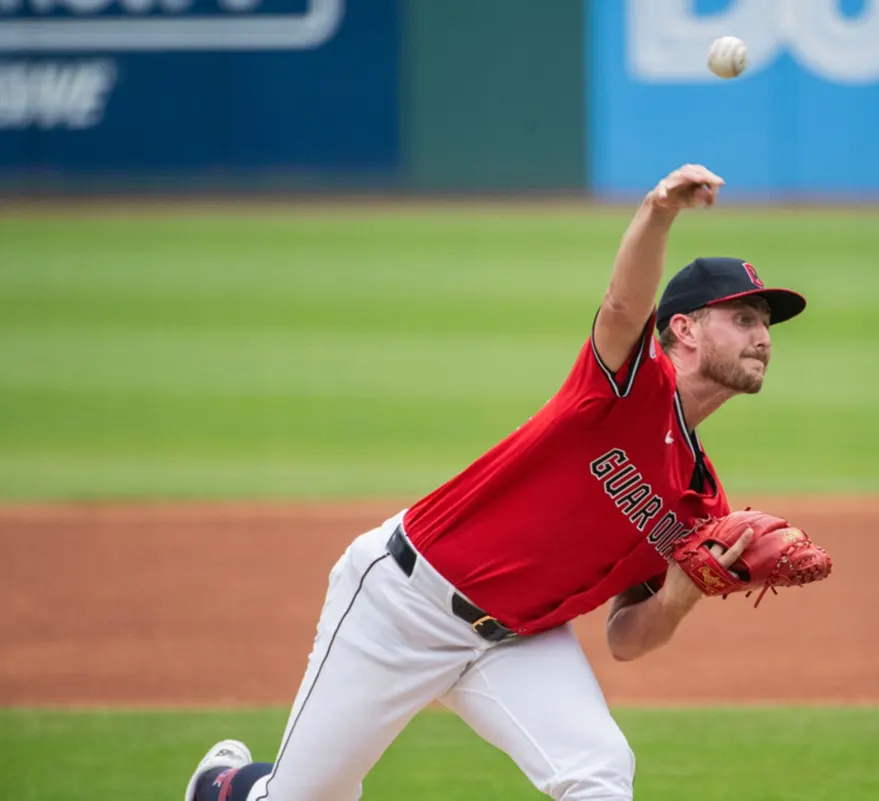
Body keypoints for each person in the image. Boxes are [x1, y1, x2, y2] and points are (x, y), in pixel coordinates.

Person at [183, 163, 808, 801]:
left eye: (765, 324)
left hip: (519, 641)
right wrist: (659, 210)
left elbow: (626, 640)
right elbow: (625, 305)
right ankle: (226, 787)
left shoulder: (702, 505)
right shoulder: (627, 385)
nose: (763, 338)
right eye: (744, 318)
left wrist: (681, 592)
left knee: (600, 773)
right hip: (403, 604)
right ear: (684, 328)